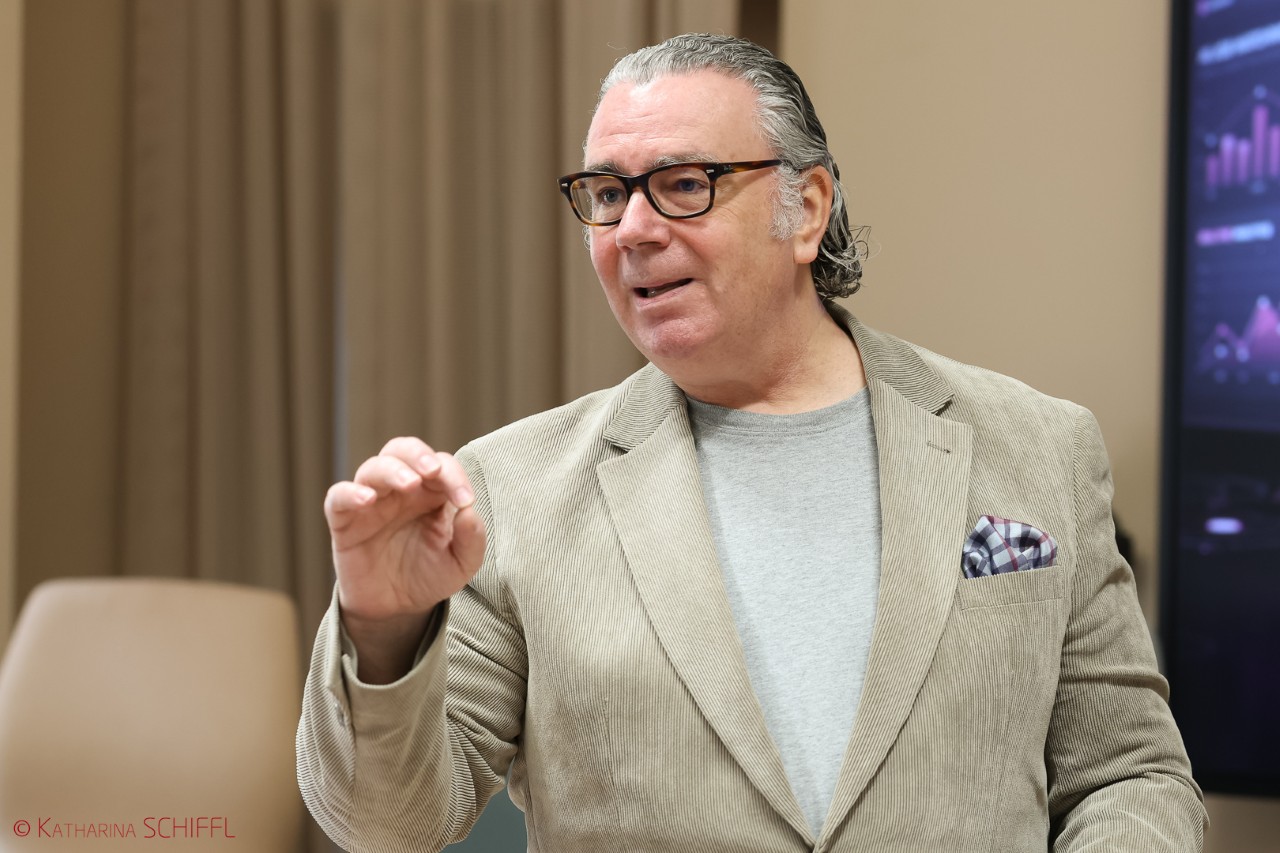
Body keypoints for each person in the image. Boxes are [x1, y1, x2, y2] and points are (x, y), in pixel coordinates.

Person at [297, 33, 1207, 852]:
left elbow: (1130, 774)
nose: (634, 229)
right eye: (608, 193)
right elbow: (388, 825)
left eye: (684, 184)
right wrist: (382, 631)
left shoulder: (1040, 446)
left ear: (805, 208)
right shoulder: (509, 489)